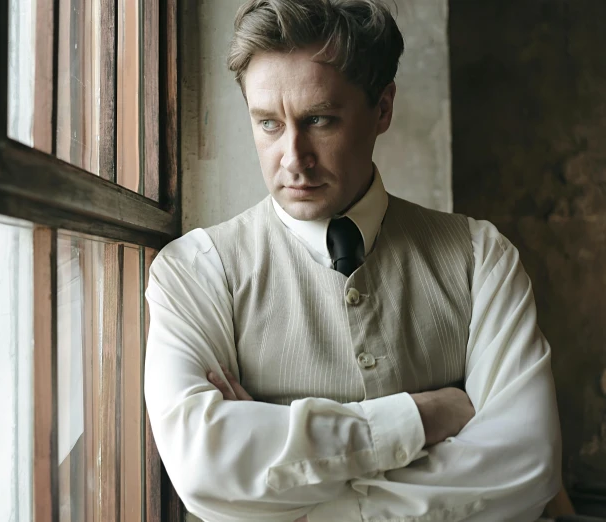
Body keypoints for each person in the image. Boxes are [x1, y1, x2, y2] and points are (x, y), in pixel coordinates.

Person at [143, 0, 562, 520]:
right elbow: (203, 467)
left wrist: (279, 472)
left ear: (382, 108)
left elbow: (525, 468)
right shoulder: (195, 272)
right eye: (269, 124)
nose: (293, 157)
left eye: (319, 120)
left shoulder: (481, 257)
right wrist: (422, 418)